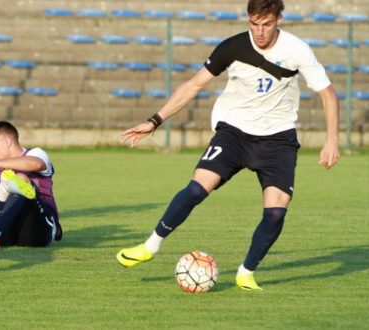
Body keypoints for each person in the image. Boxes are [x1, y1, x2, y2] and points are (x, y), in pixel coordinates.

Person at [115, 0, 340, 291]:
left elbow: (328, 94)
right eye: (254, 24)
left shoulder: (297, 50)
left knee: (276, 212)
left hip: (278, 139)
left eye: (267, 24)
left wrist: (331, 141)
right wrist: (155, 120)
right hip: (234, 132)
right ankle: (150, 246)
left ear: (279, 19)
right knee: (197, 187)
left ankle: (246, 272)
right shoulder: (231, 48)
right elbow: (194, 85)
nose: (260, 32)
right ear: (248, 19)